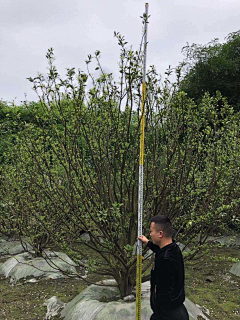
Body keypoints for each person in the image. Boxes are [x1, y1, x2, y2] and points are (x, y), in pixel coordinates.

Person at [138, 215, 189, 320]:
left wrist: (157, 315)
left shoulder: (164, 261)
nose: (150, 234)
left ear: (160, 234)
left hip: (168, 315)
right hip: (178, 311)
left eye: (152, 231)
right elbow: (160, 250)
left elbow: (164, 294)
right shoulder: (173, 249)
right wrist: (148, 243)